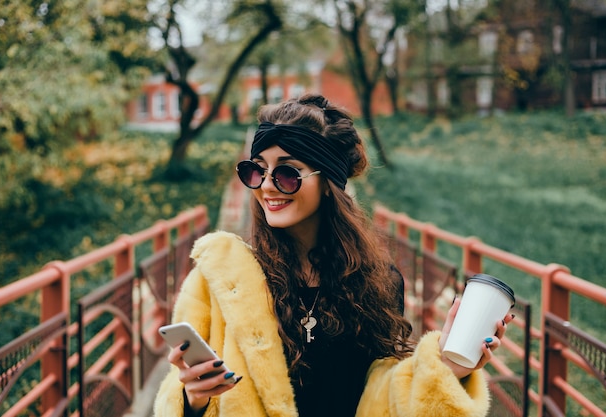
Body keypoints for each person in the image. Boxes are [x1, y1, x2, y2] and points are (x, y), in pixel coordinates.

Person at [153, 94, 513, 417]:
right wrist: (193, 400)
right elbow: (180, 395)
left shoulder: (379, 282)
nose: (265, 186)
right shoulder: (221, 280)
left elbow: (381, 398)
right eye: (257, 169)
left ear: (329, 184)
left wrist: (447, 367)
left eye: (286, 173)